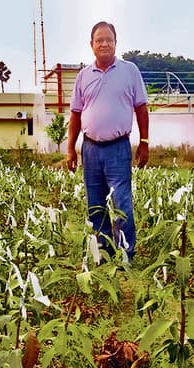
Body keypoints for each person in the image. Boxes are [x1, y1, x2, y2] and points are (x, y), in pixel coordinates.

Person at [66, 21, 149, 261]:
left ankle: (125, 253)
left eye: (109, 39)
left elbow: (141, 108)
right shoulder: (83, 76)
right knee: (96, 203)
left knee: (121, 202)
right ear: (91, 45)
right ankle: (103, 251)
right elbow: (75, 114)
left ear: (115, 43)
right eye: (99, 40)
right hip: (90, 148)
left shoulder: (130, 71)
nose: (104, 44)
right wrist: (70, 149)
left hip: (118, 148)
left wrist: (144, 141)